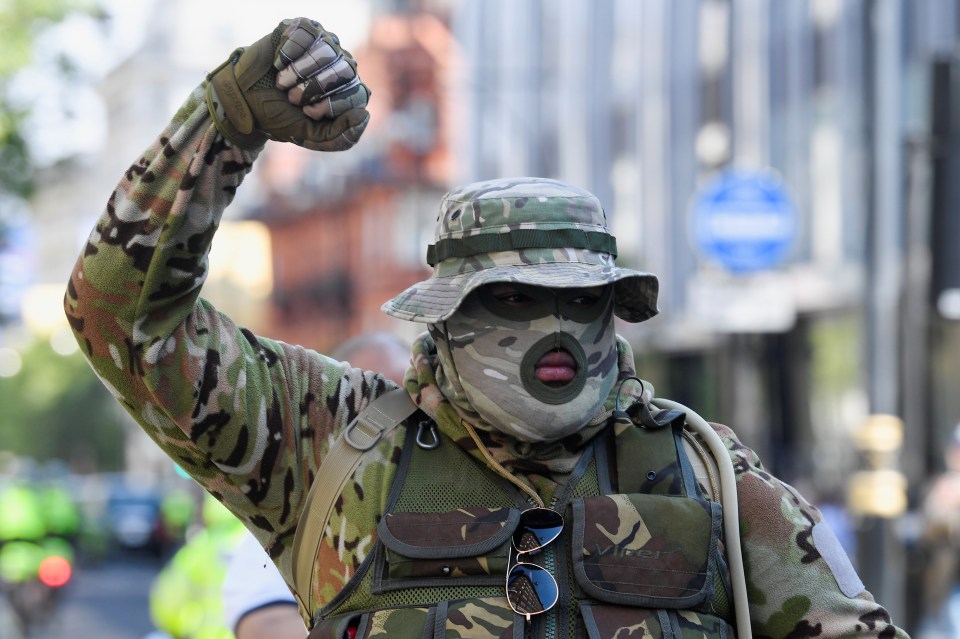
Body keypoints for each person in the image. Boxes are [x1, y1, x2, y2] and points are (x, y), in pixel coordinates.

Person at [63, 16, 909, 639]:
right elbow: (121, 319)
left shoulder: (707, 475)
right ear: (450, 314)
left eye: (583, 302)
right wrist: (224, 124)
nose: (556, 330)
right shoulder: (326, 438)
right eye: (513, 298)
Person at [222, 332, 410, 639]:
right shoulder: (295, 518)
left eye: (405, 399)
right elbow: (266, 627)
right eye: (373, 403)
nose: (396, 422)